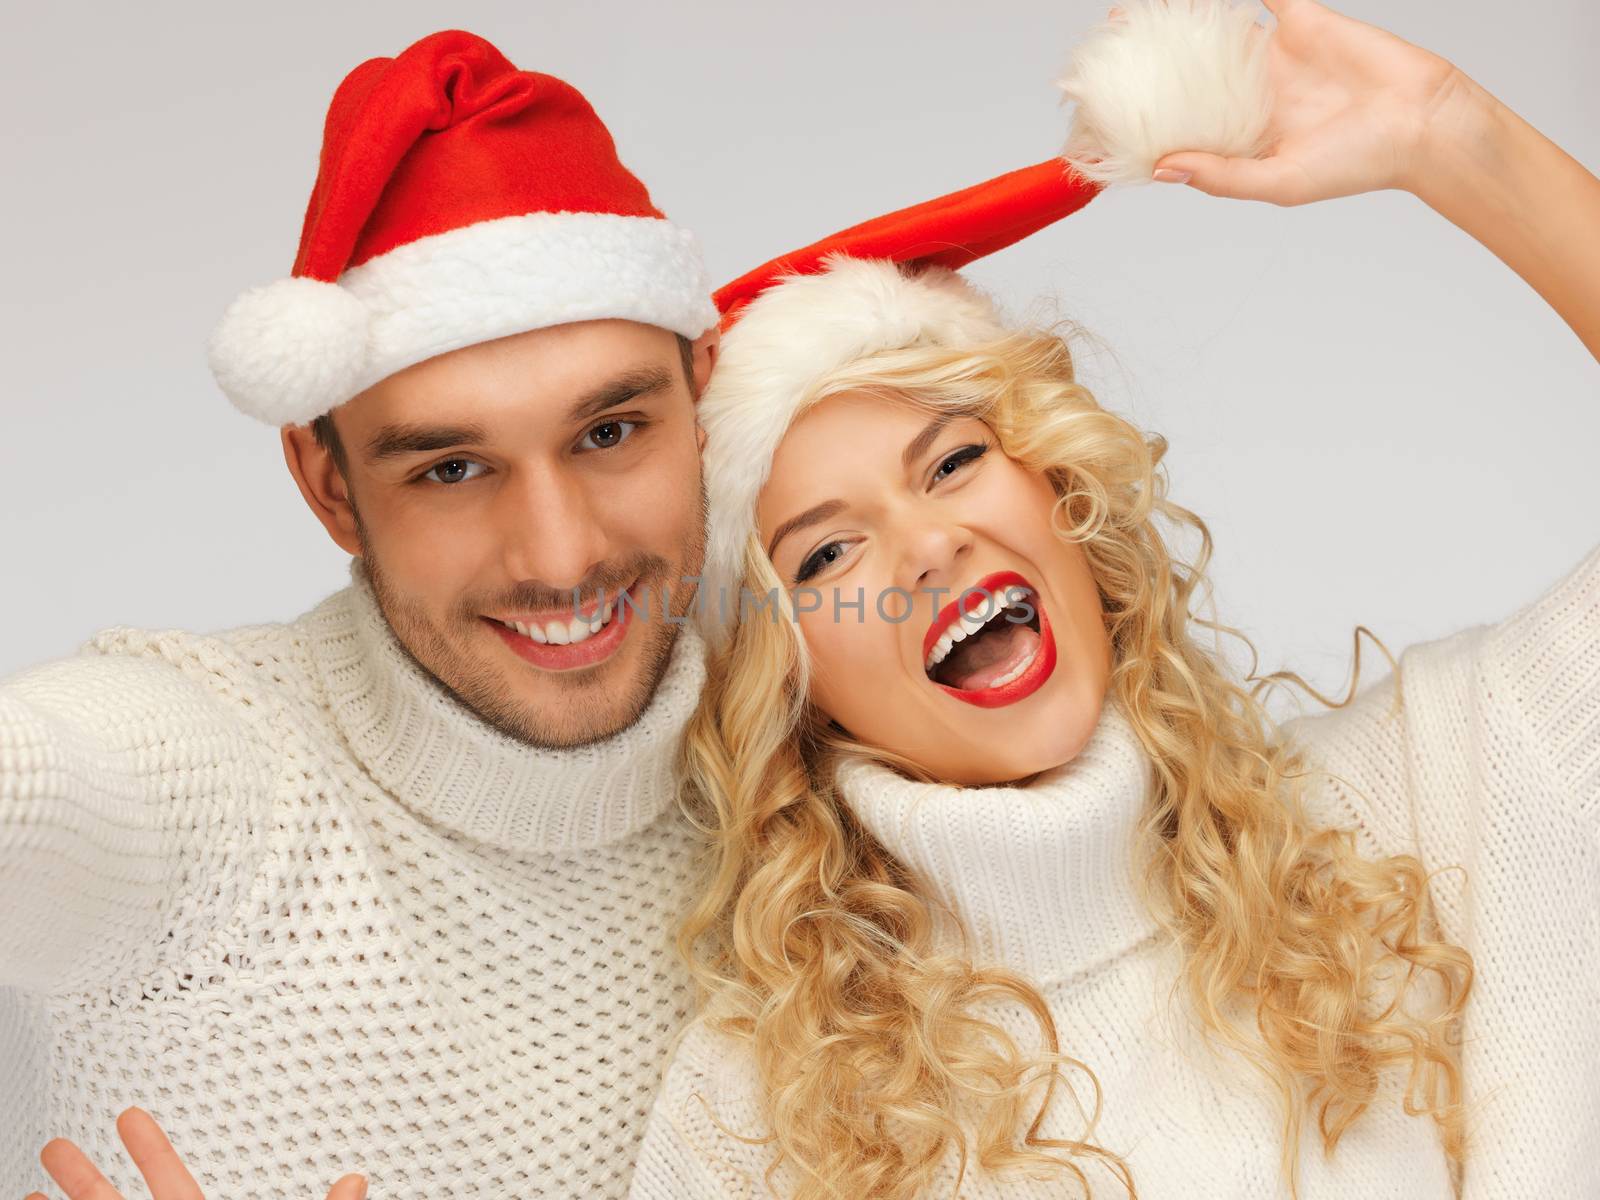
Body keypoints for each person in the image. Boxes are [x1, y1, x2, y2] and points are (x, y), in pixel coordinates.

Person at [626, 1, 1600, 1197]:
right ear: (784, 682)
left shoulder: (1428, 798)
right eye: (825, 557)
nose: (929, 546)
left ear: (1064, 498)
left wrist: (1452, 138)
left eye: (952, 462)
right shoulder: (755, 1119)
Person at [2, 28, 721, 1200]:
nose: (563, 555)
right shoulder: (212, 788)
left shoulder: (811, 768)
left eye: (608, 433)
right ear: (330, 483)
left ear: (704, 395)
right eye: (449, 469)